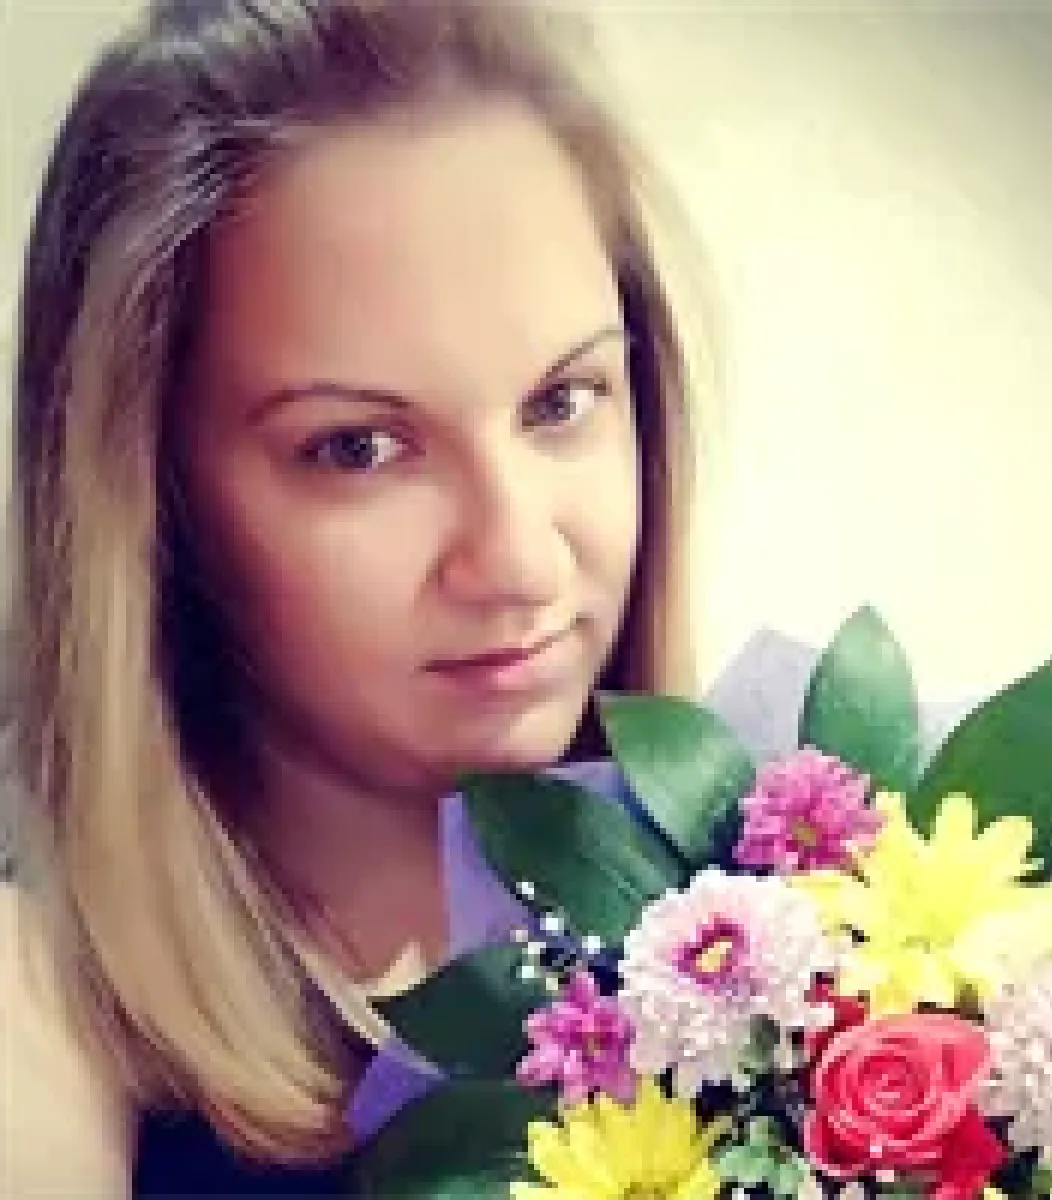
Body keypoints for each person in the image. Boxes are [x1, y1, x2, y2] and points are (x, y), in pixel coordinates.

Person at [2, 0, 704, 1193]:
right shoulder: (36, 1011)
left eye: (561, 402)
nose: (519, 561)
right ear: (152, 492)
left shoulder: (806, 919)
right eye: (358, 449)